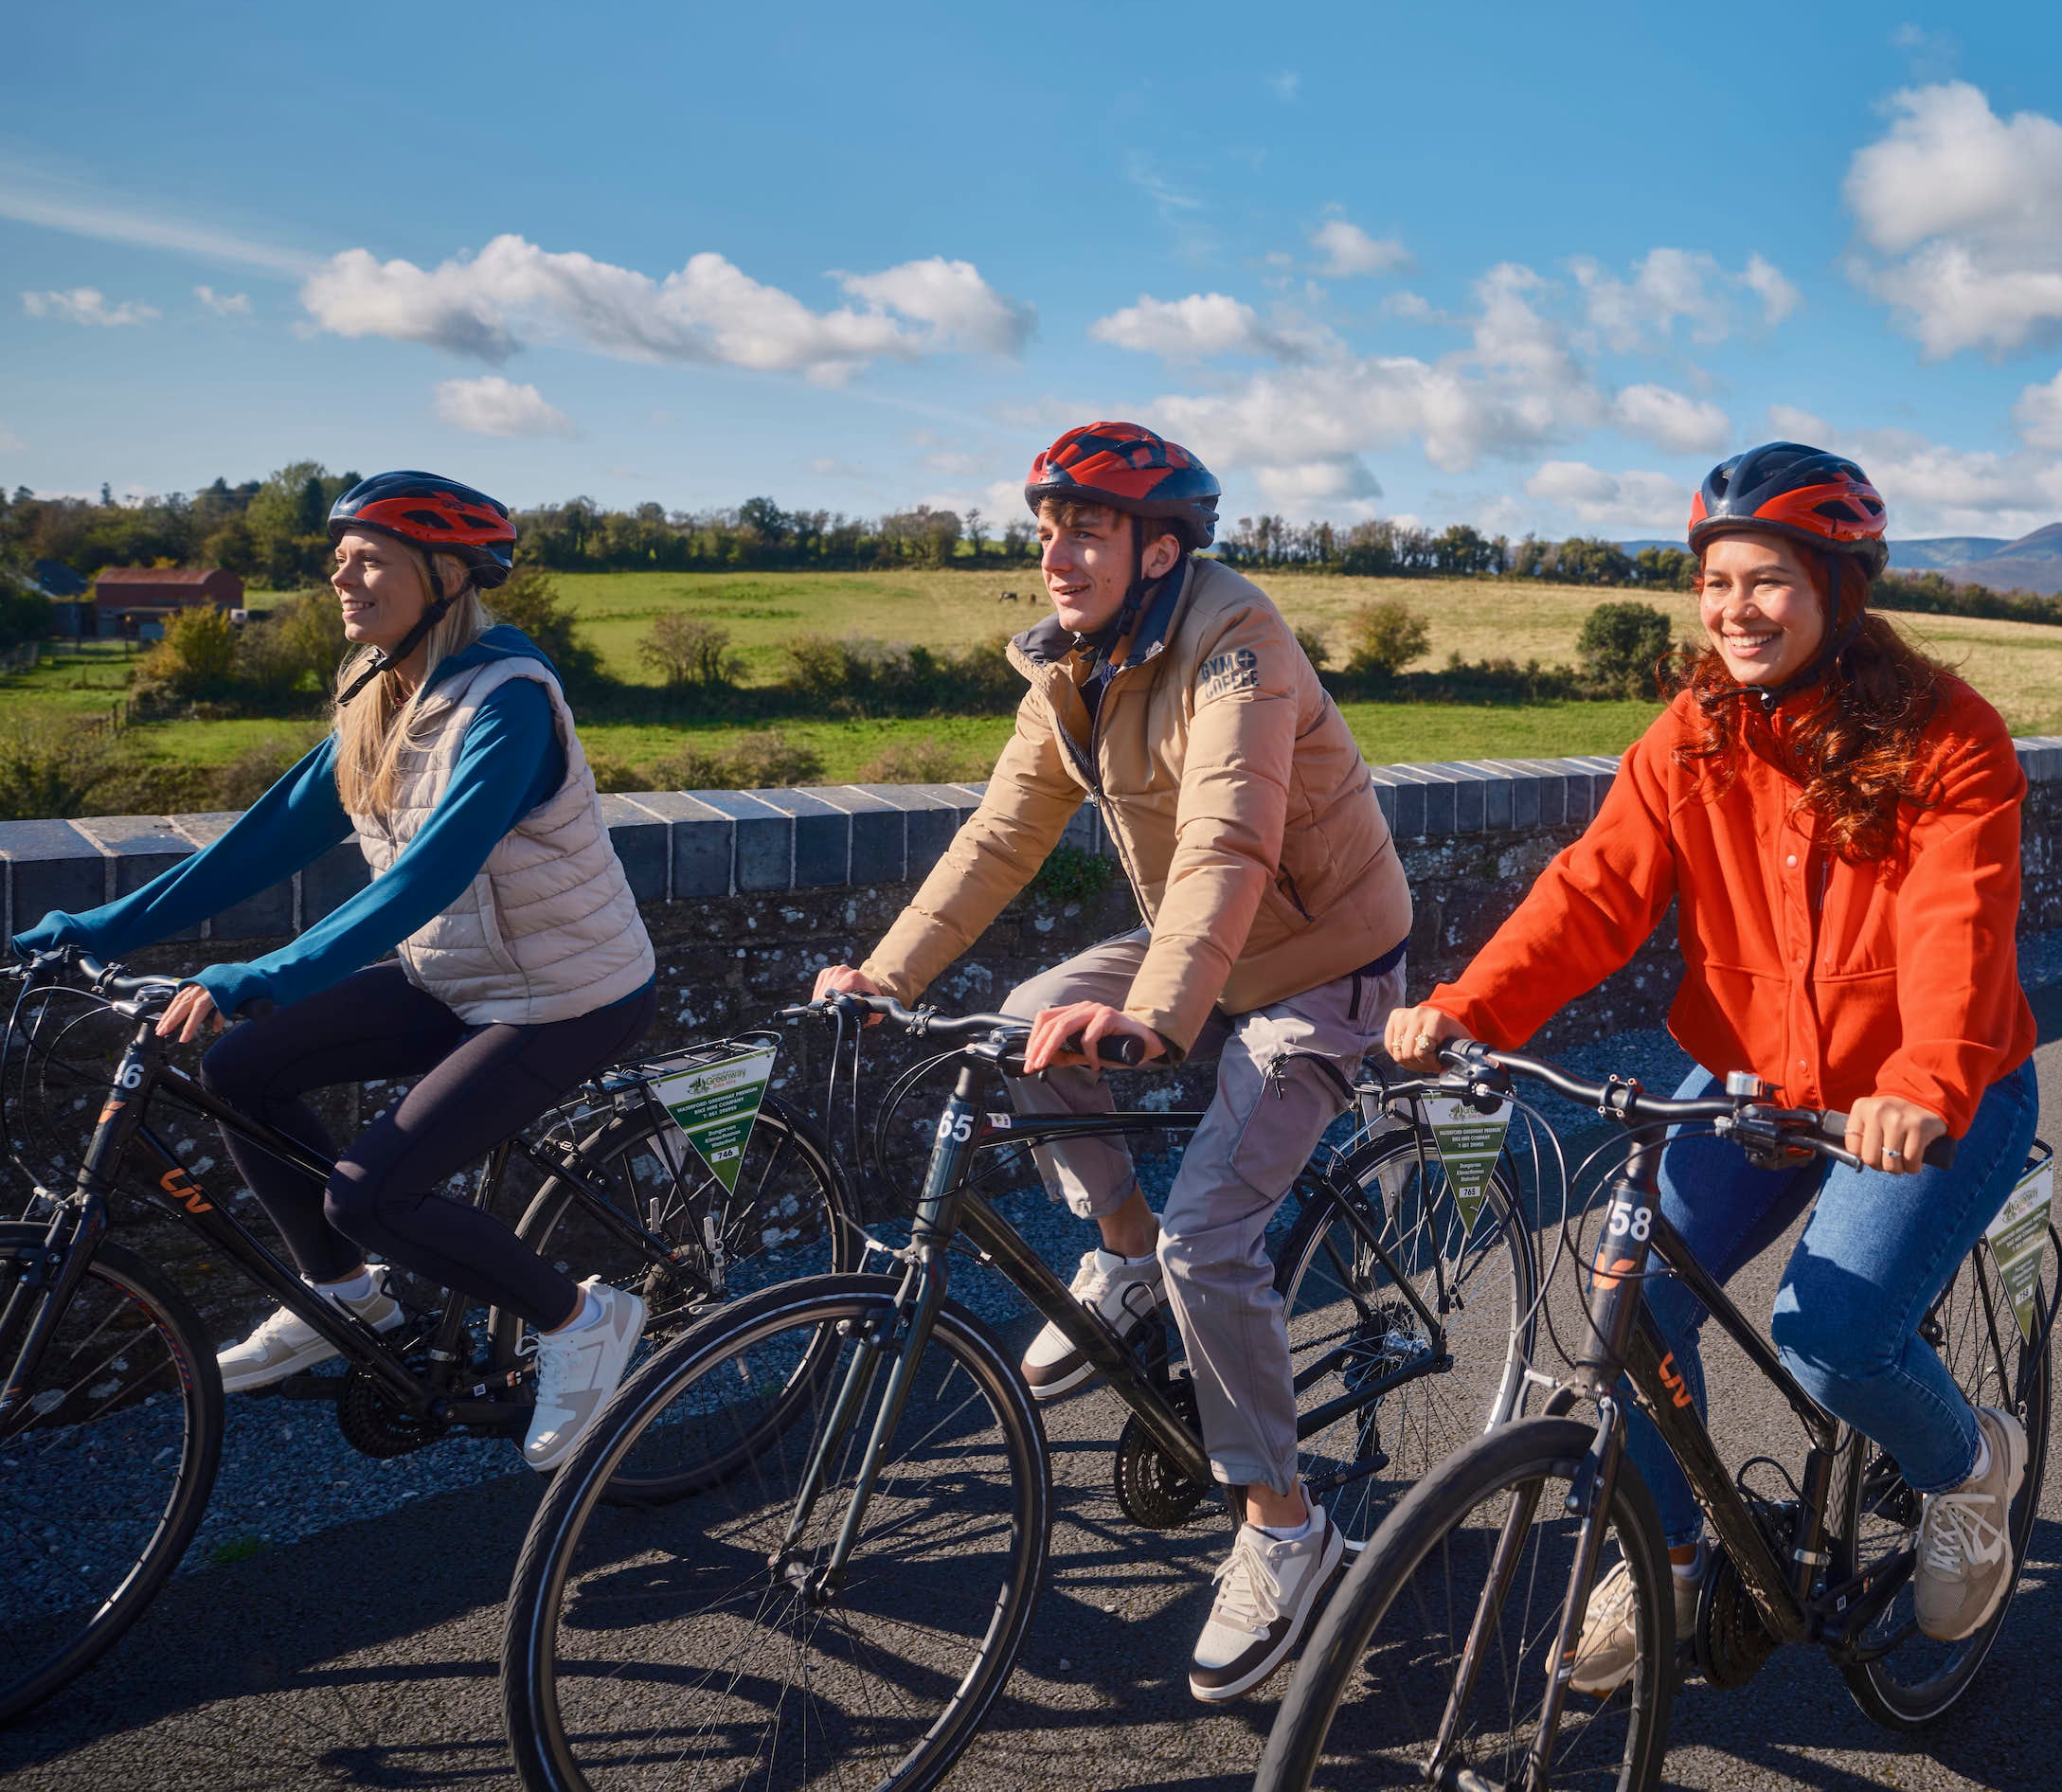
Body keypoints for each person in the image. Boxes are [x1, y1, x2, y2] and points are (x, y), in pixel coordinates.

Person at [1384, 440, 2042, 1686]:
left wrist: (1924, 1082)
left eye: (1769, 580)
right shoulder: (1692, 734)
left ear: (1839, 588)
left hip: (1930, 1093)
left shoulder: (1948, 735)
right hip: (1750, 1081)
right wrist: (1470, 1010)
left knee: (1833, 1336)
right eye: (1717, 582)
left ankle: (1969, 1466)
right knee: (1629, 1297)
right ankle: (1671, 1561)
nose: (1736, 609)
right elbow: (1592, 894)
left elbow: (1957, 927)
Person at [810, 421, 1413, 1703]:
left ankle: (1287, 1529)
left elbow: (1231, 839)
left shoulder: (1239, 638)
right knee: (1030, 1021)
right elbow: (999, 834)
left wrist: (1159, 1014)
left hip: (1320, 959)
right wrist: (887, 975)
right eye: (1046, 531)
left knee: (1214, 1237)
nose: (1056, 555)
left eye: (1085, 530)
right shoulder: (1070, 666)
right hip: (1204, 941)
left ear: (1161, 548)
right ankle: (1121, 1250)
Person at [9, 472, 659, 1472]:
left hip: (567, 995)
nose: (341, 579)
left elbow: (429, 876)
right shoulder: (378, 691)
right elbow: (261, 843)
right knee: (241, 1070)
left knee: (371, 1194)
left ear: (445, 577)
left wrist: (260, 975)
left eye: (369, 561)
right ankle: (345, 1297)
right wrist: (82, 932)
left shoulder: (510, 703)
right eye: (339, 559)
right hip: (455, 980)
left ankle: (582, 1318)